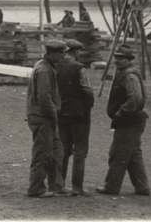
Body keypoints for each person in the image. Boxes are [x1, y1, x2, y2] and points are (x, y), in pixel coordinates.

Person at [96, 44, 150, 196]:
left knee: (118, 153)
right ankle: (142, 187)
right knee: (133, 154)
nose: (117, 61)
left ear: (128, 60)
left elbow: (135, 99)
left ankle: (111, 187)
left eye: (121, 58)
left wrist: (120, 113)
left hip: (129, 122)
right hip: (133, 121)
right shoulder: (125, 73)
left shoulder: (129, 75)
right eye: (116, 58)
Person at [26, 38, 71, 197]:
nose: (63, 56)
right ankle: (35, 188)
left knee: (57, 151)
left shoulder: (47, 67)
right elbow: (44, 97)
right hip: (43, 117)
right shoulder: (44, 69)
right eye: (60, 53)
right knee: (43, 154)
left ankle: (56, 185)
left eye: (64, 53)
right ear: (51, 53)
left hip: (47, 116)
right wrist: (53, 116)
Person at [57, 38, 95, 195]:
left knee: (64, 150)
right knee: (80, 150)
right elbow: (87, 90)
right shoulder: (79, 68)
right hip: (79, 115)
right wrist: (88, 105)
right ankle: (77, 187)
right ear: (75, 51)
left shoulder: (56, 66)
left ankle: (59, 185)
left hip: (61, 113)